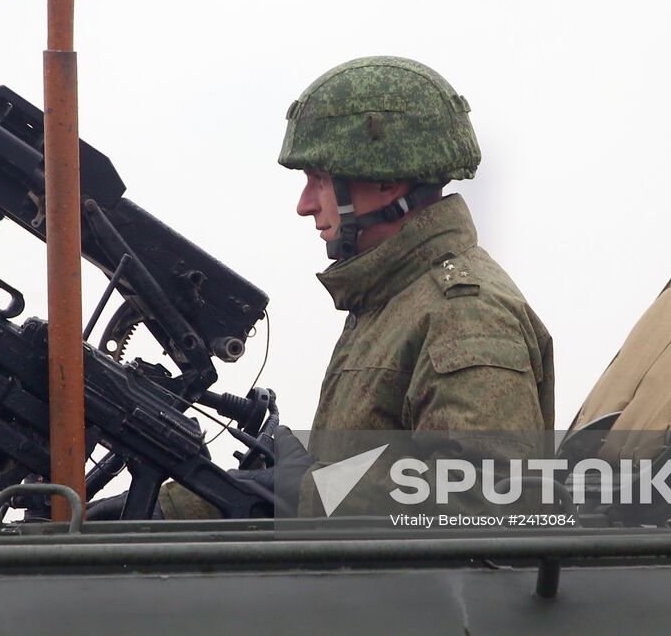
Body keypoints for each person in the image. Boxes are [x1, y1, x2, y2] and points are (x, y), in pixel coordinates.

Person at [156, 56, 555, 518]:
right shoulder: (391, 302)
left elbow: (484, 501)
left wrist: (294, 493)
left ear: (386, 184)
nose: (305, 205)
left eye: (319, 180)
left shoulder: (464, 315)